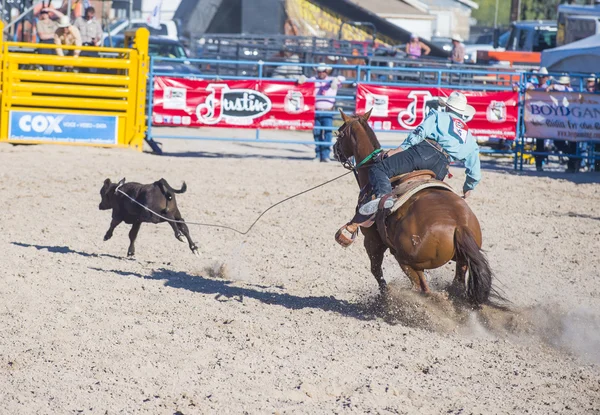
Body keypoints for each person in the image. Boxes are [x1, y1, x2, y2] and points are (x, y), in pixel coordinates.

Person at [356, 92, 481, 223]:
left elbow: (420, 132)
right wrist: (468, 187)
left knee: (379, 169)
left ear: (447, 107)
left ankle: (385, 197)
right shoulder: (470, 138)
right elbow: (475, 172)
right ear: (462, 113)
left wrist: (399, 149)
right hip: (441, 167)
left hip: (423, 153)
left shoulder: (438, 116)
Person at [298, 64, 346, 162]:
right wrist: (302, 78)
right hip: (316, 110)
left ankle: (325, 155)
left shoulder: (331, 79)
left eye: (323, 71)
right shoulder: (314, 79)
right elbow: (304, 80)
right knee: (317, 133)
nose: (321, 73)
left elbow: (343, 78)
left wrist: (336, 80)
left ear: (326, 71)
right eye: (319, 71)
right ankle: (318, 154)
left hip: (327, 111)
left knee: (328, 133)